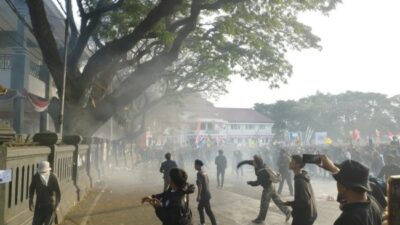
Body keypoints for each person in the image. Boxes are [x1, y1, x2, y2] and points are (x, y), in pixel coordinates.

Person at [319, 156, 383, 225]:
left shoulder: (346, 220)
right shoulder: (373, 203)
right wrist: (333, 168)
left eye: (338, 181)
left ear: (343, 188)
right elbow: (353, 179)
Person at [237, 155, 291, 224]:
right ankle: (287, 211)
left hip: (268, 188)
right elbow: (248, 162)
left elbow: (258, 182)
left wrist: (250, 183)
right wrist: (241, 163)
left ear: (256, 162)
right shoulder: (259, 164)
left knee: (264, 204)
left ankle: (260, 219)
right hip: (272, 186)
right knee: (277, 200)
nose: (252, 161)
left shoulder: (261, 172)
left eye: (253, 161)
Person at [285, 155, 317, 225]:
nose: (289, 163)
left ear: (298, 165)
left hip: (304, 217)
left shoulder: (300, 180)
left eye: (292, 161)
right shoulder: (302, 176)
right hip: (309, 214)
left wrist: (291, 203)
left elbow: (304, 201)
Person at [29, 161, 61, 225]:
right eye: (41, 172)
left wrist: (57, 205)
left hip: (50, 206)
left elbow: (58, 192)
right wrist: (30, 200)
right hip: (39, 205)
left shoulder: (53, 177)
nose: (43, 174)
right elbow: (31, 188)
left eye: (44, 172)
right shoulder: (36, 177)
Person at [195, 160, 217, 225]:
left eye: (195, 164)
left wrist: (198, 195)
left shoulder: (199, 173)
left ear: (198, 165)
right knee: (201, 208)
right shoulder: (204, 172)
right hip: (207, 193)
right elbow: (207, 182)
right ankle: (203, 223)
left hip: (204, 195)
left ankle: (206, 223)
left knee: (208, 211)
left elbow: (200, 185)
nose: (194, 166)